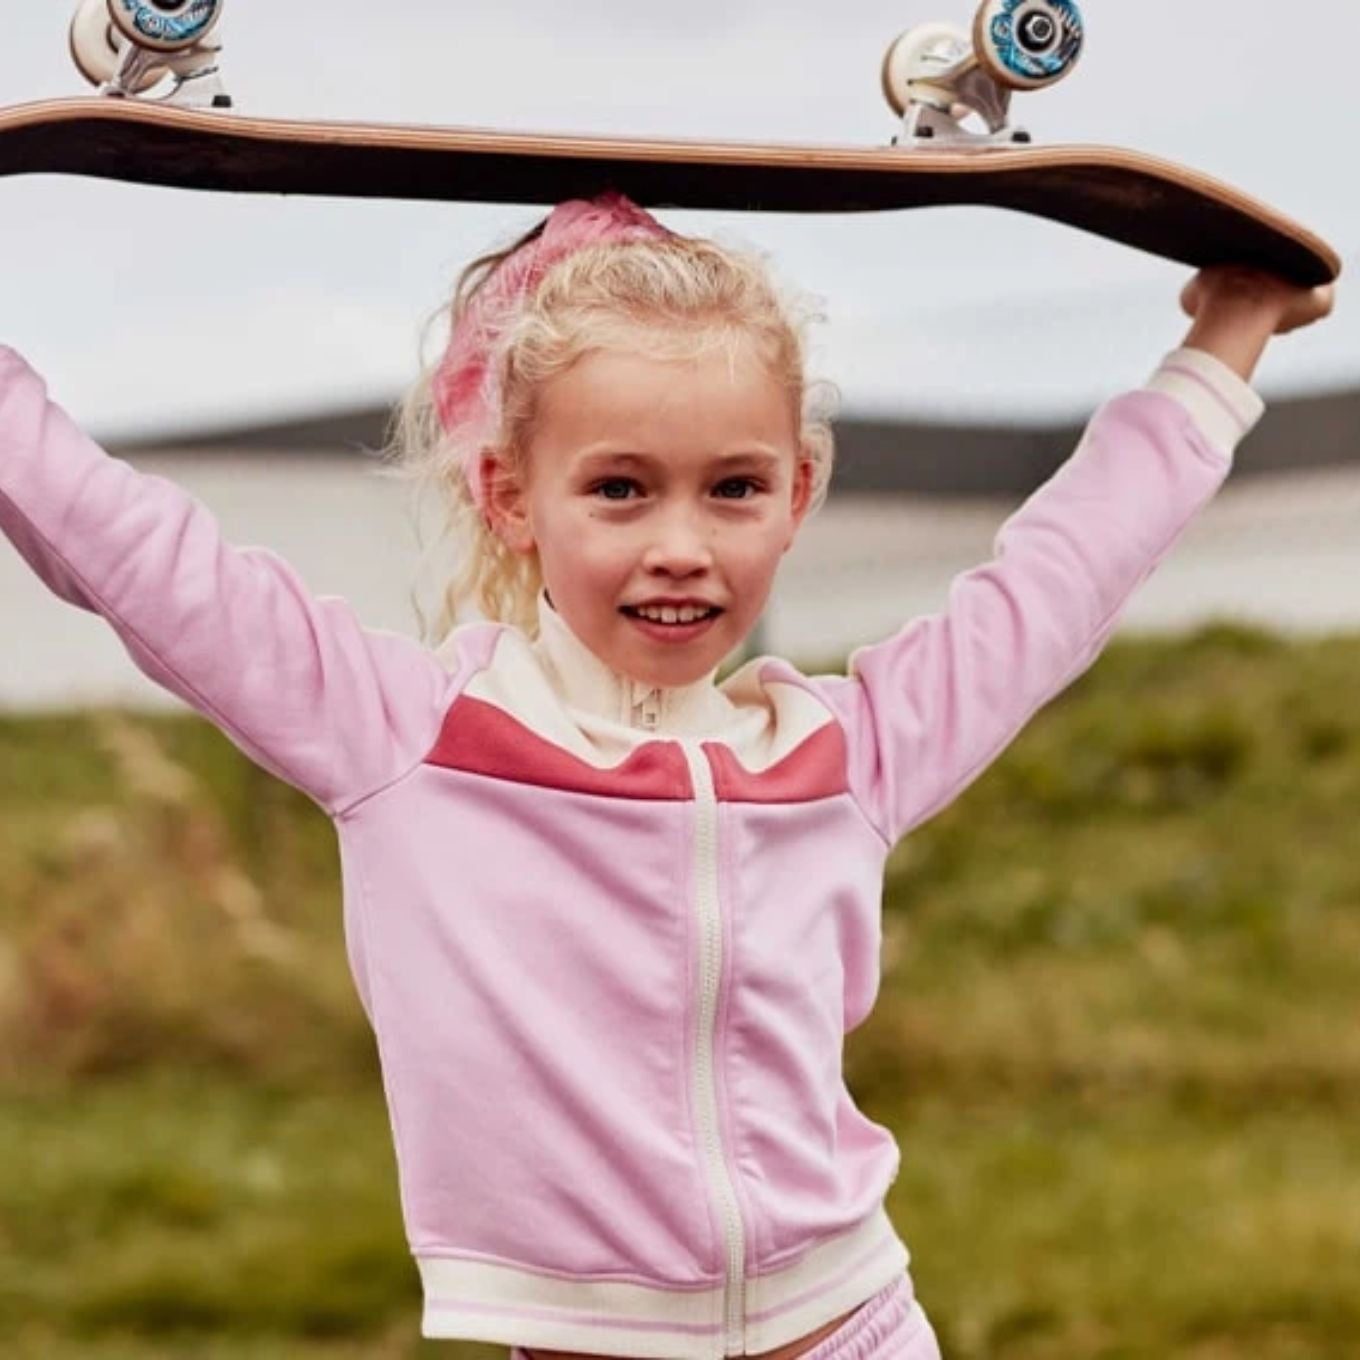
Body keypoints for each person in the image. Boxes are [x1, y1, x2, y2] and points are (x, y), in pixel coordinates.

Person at [0, 192, 1334, 1360]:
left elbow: (1064, 572)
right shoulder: (405, 740)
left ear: (800, 492)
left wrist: (1223, 343)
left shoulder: (845, 752)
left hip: (855, 1328)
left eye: (734, 489)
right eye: (623, 490)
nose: (683, 545)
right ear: (513, 497)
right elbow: (133, 555)